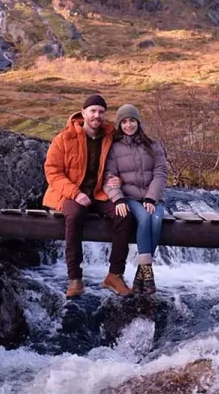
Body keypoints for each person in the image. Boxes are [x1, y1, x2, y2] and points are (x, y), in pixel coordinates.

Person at [42, 94, 133, 299]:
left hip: (100, 194)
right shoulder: (64, 139)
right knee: (73, 217)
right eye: (92, 111)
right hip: (71, 194)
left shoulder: (111, 136)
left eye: (101, 112)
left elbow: (128, 161)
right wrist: (75, 193)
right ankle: (75, 278)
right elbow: (52, 172)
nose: (97, 116)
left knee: (124, 215)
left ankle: (115, 275)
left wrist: (120, 180)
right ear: (83, 113)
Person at [102, 104, 168, 294]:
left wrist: (151, 197)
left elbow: (161, 172)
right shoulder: (114, 148)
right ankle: (148, 274)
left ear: (138, 122)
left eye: (132, 121)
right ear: (119, 125)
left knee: (156, 221)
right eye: (124, 122)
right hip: (130, 197)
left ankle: (143, 272)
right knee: (145, 219)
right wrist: (118, 199)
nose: (129, 125)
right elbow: (109, 178)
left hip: (153, 198)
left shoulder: (153, 145)